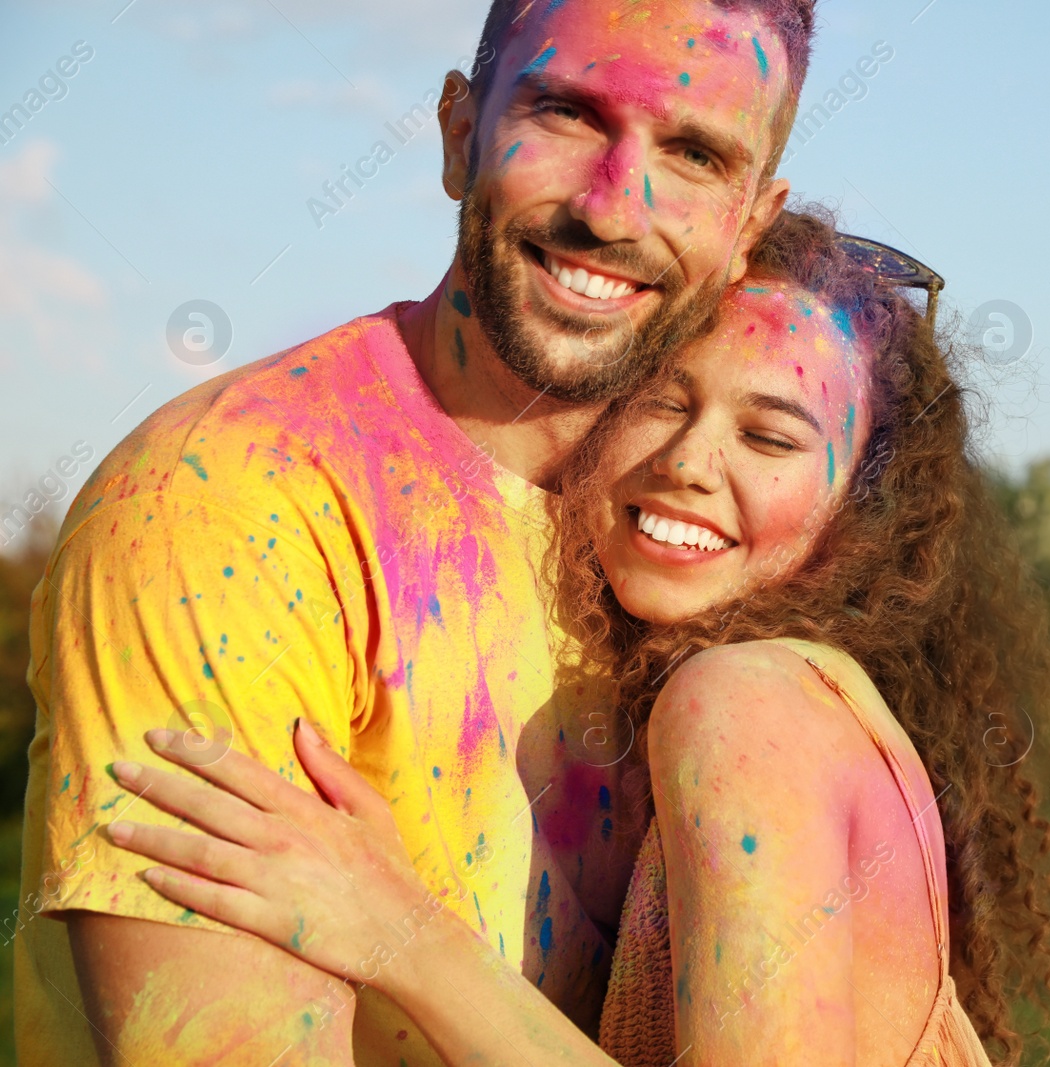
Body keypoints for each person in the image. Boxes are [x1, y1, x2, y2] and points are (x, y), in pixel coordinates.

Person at [103, 210, 1050, 1066]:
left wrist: (400, 931)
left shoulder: (744, 702)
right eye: (662, 399)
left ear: (861, 515)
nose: (689, 460)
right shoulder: (812, 700)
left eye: (769, 437)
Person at [15, 0, 815, 1061]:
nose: (616, 210)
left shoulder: (706, 551)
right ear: (456, 133)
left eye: (695, 152)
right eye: (568, 113)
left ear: (750, 225)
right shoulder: (223, 511)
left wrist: (412, 941)